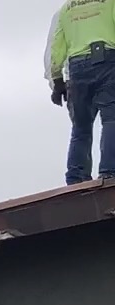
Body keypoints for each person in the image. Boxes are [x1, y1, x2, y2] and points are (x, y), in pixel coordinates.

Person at [50, 0, 115, 183]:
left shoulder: (67, 8)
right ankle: (110, 171)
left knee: (81, 128)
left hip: (77, 67)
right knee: (111, 119)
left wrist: (57, 81)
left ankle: (76, 178)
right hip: (108, 60)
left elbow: (57, 47)